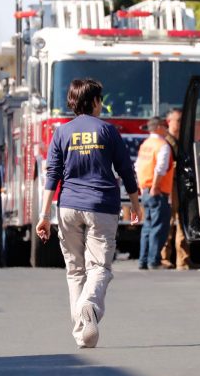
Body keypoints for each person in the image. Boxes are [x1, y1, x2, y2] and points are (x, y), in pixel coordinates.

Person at [36, 78, 141, 349]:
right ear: (95, 101)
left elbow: (52, 176)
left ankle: (82, 333)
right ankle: (89, 305)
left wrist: (44, 215)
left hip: (68, 206)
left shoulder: (61, 133)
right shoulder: (108, 131)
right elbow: (126, 169)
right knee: (100, 268)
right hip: (101, 206)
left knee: (74, 270)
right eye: (100, 100)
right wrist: (135, 202)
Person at [159, 108, 198, 270]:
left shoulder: (181, 140)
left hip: (181, 185)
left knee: (183, 221)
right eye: (178, 120)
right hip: (170, 186)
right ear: (169, 122)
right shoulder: (165, 141)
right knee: (169, 222)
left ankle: (183, 260)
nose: (181, 124)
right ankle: (164, 258)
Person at [136, 116, 174, 270]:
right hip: (157, 191)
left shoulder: (145, 144)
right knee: (159, 227)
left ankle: (143, 261)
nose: (166, 129)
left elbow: (137, 166)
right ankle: (153, 260)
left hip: (145, 189)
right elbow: (160, 168)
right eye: (164, 126)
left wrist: (142, 186)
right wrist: (156, 186)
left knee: (147, 226)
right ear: (158, 127)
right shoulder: (162, 145)